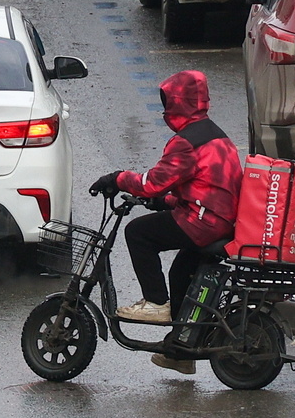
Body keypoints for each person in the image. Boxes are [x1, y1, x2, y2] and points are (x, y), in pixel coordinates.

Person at [90, 70, 243, 375]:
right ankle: (182, 350)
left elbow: (152, 182)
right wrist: (165, 202)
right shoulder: (214, 134)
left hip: (204, 221)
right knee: (181, 271)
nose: (164, 109)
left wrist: (117, 179)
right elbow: (206, 188)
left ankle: (156, 302)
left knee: (139, 233)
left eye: (166, 101)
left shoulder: (186, 142)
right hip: (219, 219)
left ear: (177, 102)